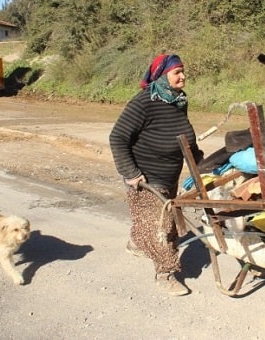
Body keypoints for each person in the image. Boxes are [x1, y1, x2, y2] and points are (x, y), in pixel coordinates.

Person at [109, 54, 203, 296]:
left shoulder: (178, 100)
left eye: (183, 71)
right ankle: (166, 273)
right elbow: (118, 137)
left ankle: (138, 242)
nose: (182, 76)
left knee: (154, 221)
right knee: (163, 225)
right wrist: (131, 173)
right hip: (146, 177)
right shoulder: (144, 102)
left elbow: (182, 133)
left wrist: (199, 159)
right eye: (176, 72)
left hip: (169, 174)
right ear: (162, 76)